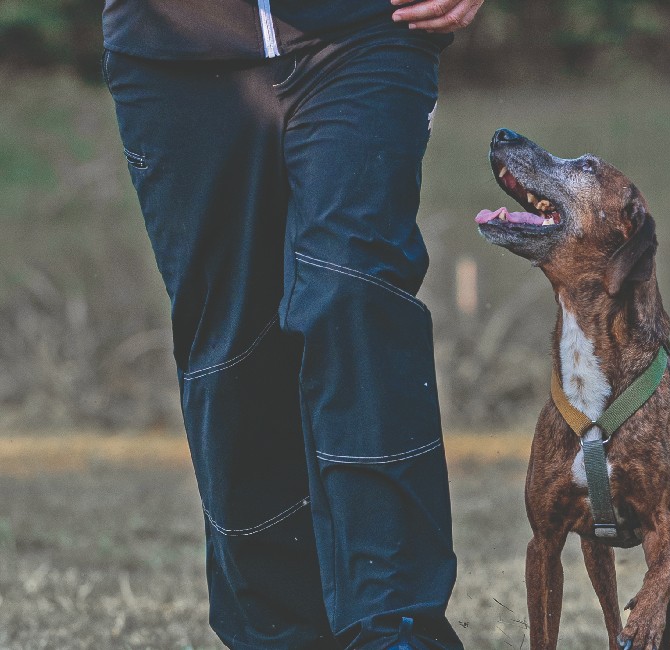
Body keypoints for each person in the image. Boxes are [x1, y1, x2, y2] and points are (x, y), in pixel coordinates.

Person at [101, 0, 484, 647]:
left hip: (365, 33)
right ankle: (279, 631)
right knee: (234, 346)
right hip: (177, 50)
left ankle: (394, 626)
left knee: (353, 292)